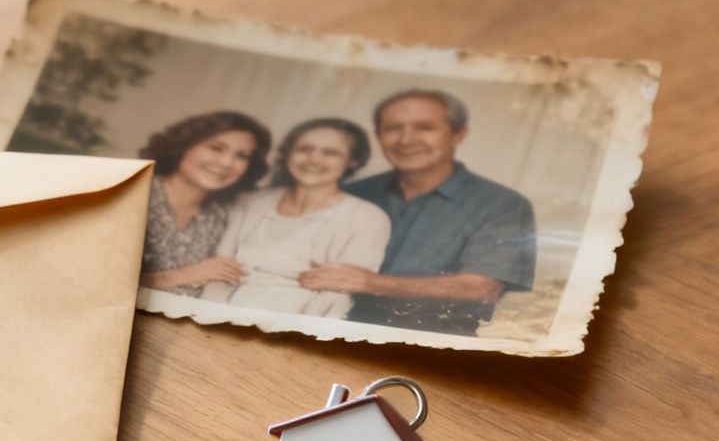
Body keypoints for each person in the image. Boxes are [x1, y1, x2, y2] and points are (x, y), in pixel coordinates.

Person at [301, 88, 536, 335]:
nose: (406, 140)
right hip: (329, 330)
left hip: (426, 344)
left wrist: (371, 283)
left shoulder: (502, 204)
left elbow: (481, 288)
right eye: (392, 128)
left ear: (458, 135)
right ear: (379, 136)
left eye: (425, 127)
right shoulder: (351, 193)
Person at [201, 118, 390, 317]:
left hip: (297, 324)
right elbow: (219, 272)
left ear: (353, 161)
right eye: (304, 149)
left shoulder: (368, 218)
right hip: (222, 312)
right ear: (288, 153)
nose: (313, 159)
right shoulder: (249, 202)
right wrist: (211, 318)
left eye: (330, 153)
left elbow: (335, 298)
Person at [135, 110, 271, 293]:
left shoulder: (220, 215)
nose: (226, 162)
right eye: (216, 148)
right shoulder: (134, 194)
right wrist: (183, 275)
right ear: (182, 146)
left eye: (242, 156)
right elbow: (97, 280)